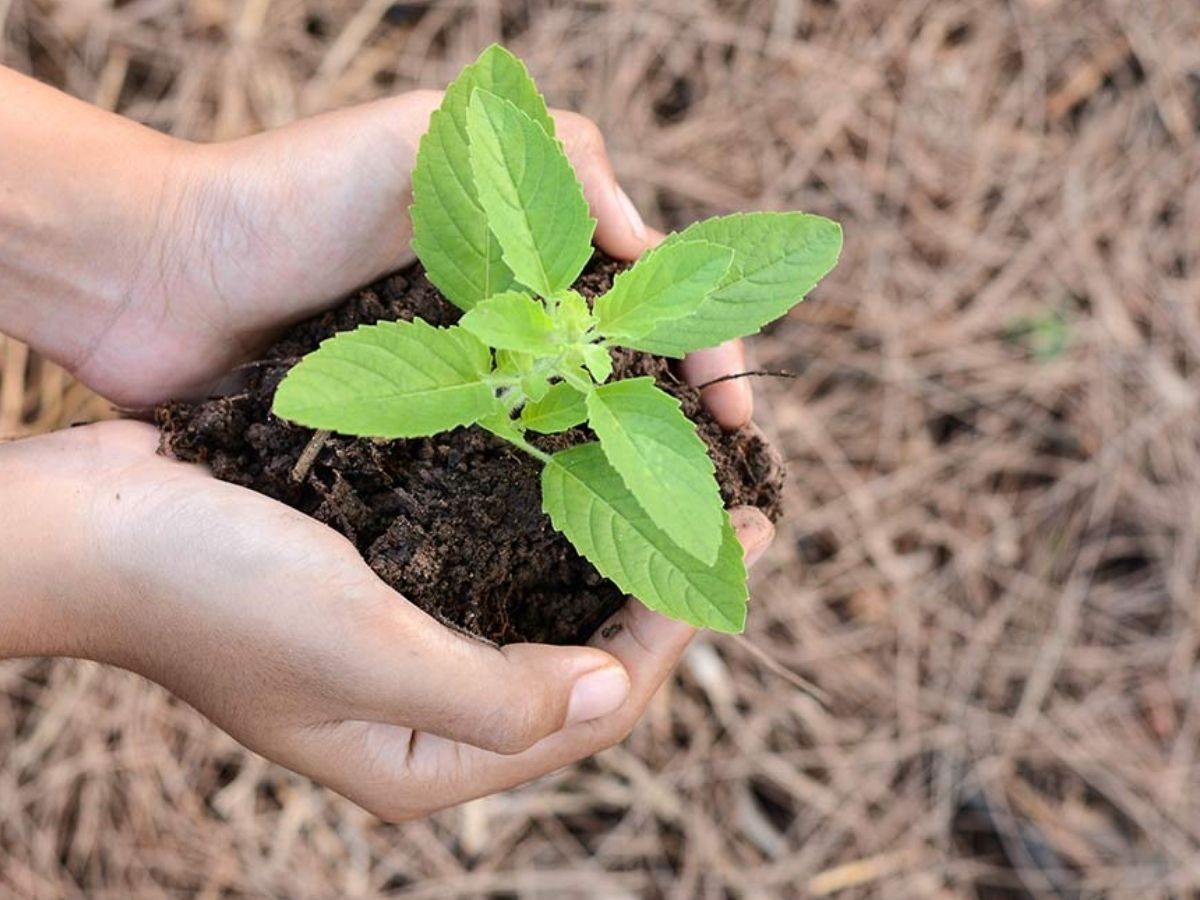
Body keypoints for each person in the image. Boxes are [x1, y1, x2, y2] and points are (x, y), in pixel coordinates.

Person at [0, 66, 775, 820]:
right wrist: (103, 555)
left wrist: (173, 243)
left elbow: (497, 117)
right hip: (468, 373)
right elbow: (332, 392)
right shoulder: (480, 343)